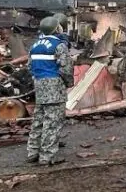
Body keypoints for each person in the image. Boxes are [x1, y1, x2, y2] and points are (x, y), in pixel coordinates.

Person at [27, 16, 74, 165]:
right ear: (57, 28)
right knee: (52, 122)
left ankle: (32, 151)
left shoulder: (34, 45)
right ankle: (47, 157)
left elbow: (30, 66)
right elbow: (66, 69)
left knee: (38, 120)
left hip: (39, 86)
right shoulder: (59, 45)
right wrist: (68, 83)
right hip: (54, 87)